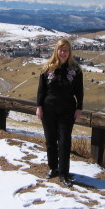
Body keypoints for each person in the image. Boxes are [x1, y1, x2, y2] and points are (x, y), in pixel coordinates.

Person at [36, 38, 84, 187]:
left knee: (64, 141)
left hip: (67, 110)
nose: (63, 53)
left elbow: (79, 92)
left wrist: (79, 108)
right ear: (56, 51)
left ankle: (64, 173)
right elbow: (41, 90)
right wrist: (39, 106)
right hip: (48, 109)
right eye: (61, 50)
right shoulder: (47, 68)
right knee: (50, 140)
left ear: (69, 52)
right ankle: (53, 168)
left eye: (66, 50)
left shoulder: (75, 70)